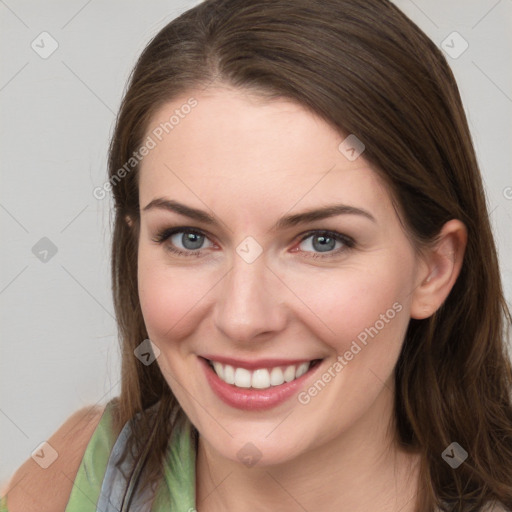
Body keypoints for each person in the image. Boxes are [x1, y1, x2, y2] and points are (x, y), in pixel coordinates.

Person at [2, 0, 511, 510]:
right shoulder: (65, 482)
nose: (243, 319)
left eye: (321, 241)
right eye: (190, 238)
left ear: (434, 269)